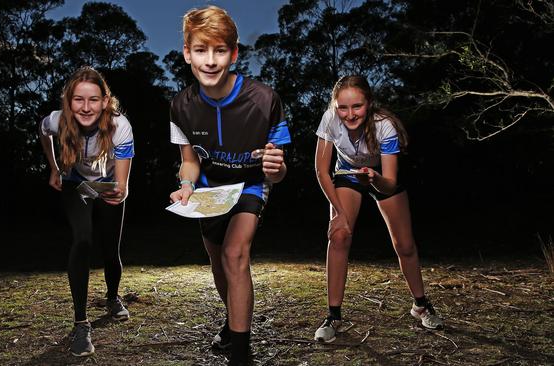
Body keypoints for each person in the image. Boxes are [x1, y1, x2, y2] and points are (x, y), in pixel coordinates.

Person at [169, 6, 291, 365]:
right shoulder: (180, 106)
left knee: (235, 255)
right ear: (187, 52)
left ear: (233, 54)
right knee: (218, 261)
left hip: (250, 186)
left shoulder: (265, 100)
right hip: (209, 191)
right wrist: (187, 185)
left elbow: (276, 173)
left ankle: (240, 353)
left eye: (219, 50)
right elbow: (189, 160)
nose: (210, 61)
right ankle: (231, 322)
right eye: (201, 50)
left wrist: (276, 169)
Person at [313, 75, 443, 343]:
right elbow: (321, 171)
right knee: (339, 235)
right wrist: (338, 213)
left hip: (380, 176)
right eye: (343, 108)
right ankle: (333, 315)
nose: (350, 114)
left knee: (405, 246)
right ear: (335, 107)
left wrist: (373, 178)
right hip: (347, 174)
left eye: (357, 106)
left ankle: (421, 305)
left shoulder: (385, 126)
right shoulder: (329, 119)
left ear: (369, 103)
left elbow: (390, 183)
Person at [38, 66, 134, 356]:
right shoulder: (56, 120)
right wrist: (54, 167)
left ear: (105, 101)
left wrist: (119, 191)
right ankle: (81, 323)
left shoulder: (120, 126)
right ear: (68, 101)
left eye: (93, 100)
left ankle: (113, 297)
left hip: (106, 184)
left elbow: (122, 183)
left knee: (110, 249)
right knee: (82, 239)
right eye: (78, 99)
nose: (86, 107)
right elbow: (43, 133)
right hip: (75, 183)